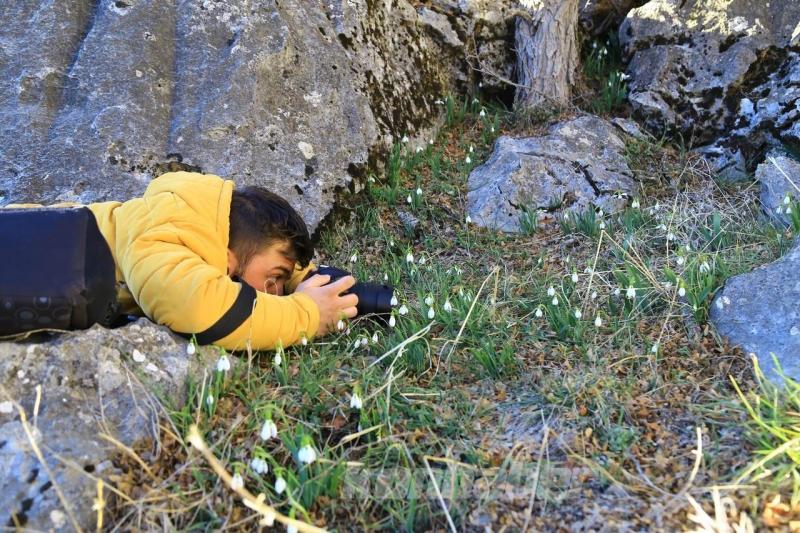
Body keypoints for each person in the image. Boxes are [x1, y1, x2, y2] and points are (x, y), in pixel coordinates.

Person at [84, 170, 358, 350]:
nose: (276, 291)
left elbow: (270, 257)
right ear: (227, 262)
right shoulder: (159, 236)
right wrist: (307, 315)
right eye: (274, 279)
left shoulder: (202, 226)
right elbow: (198, 309)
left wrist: (306, 282)